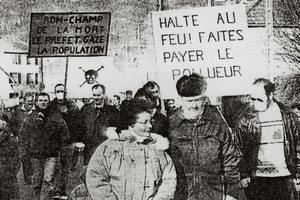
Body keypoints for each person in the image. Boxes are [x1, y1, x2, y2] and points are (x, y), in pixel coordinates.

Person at [86, 98, 176, 200]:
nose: (150, 126)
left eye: (151, 121)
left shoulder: (157, 147)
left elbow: (169, 178)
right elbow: (95, 178)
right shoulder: (110, 147)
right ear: (131, 123)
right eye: (144, 122)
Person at [169, 73, 241, 200]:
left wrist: (231, 192)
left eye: (198, 99)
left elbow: (230, 159)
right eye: (189, 101)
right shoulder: (171, 126)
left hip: (215, 194)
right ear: (180, 99)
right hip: (183, 194)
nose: (194, 105)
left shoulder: (217, 124)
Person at [238, 78, 300, 200]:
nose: (254, 102)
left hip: (284, 177)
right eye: (252, 98)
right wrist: (243, 174)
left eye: (259, 99)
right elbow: (239, 147)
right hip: (257, 179)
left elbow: (298, 145)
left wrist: (298, 173)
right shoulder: (246, 119)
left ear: (270, 95)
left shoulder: (289, 117)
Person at [19, 92, 70, 200]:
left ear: (49, 102)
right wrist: (26, 151)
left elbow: (64, 135)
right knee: (37, 181)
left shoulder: (56, 117)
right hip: (35, 156)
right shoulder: (29, 118)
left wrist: (60, 149)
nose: (43, 103)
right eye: (40, 100)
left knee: (48, 180)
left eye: (45, 100)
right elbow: (23, 137)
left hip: (51, 155)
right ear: (36, 102)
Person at [49, 83, 82, 198]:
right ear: (55, 92)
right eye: (58, 91)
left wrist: (67, 113)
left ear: (65, 93)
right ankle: (55, 190)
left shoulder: (72, 105)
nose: (60, 93)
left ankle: (62, 190)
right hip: (54, 142)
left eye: (62, 91)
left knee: (65, 167)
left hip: (68, 141)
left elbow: (77, 123)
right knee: (54, 167)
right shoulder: (51, 105)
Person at [80, 84, 119, 165]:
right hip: (89, 149)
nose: (96, 97)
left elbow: (117, 129)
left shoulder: (112, 111)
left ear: (104, 95)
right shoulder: (85, 109)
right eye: (94, 95)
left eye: (98, 95)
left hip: (106, 149)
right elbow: (80, 127)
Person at [10, 93, 35, 185]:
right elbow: (12, 125)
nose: (30, 103)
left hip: (34, 140)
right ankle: (27, 178)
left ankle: (34, 176)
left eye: (32, 101)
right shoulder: (17, 112)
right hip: (21, 141)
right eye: (28, 101)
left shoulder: (36, 112)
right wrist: (16, 134)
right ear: (24, 102)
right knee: (24, 158)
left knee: (33, 158)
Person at [0, 118, 20, 200]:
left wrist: (9, 172)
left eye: (0, 130)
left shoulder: (12, 141)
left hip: (8, 178)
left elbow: (16, 160)